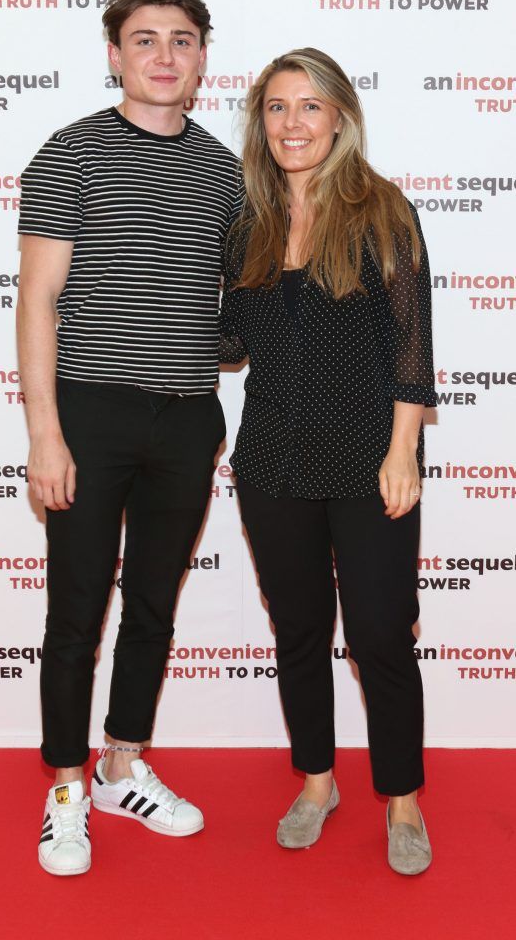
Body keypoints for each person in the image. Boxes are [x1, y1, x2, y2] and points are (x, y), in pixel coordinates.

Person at [17, 0, 241, 876]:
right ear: (116, 54)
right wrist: (44, 433)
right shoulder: (69, 154)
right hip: (90, 414)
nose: (163, 56)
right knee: (76, 613)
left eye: (181, 41)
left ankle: (121, 764)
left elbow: (231, 307)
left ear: (200, 59)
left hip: (189, 419)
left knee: (152, 606)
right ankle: (66, 787)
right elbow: (38, 301)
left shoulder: (226, 168)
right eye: (145, 40)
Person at [220, 48, 436, 875]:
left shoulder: (382, 213)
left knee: (382, 634)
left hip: (368, 459)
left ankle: (403, 798)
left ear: (340, 116)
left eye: (310, 107)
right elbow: (234, 342)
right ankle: (317, 781)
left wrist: (403, 451)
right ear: (260, 122)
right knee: (301, 631)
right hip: (271, 460)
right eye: (277, 108)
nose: (292, 124)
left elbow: (412, 351)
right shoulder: (249, 223)